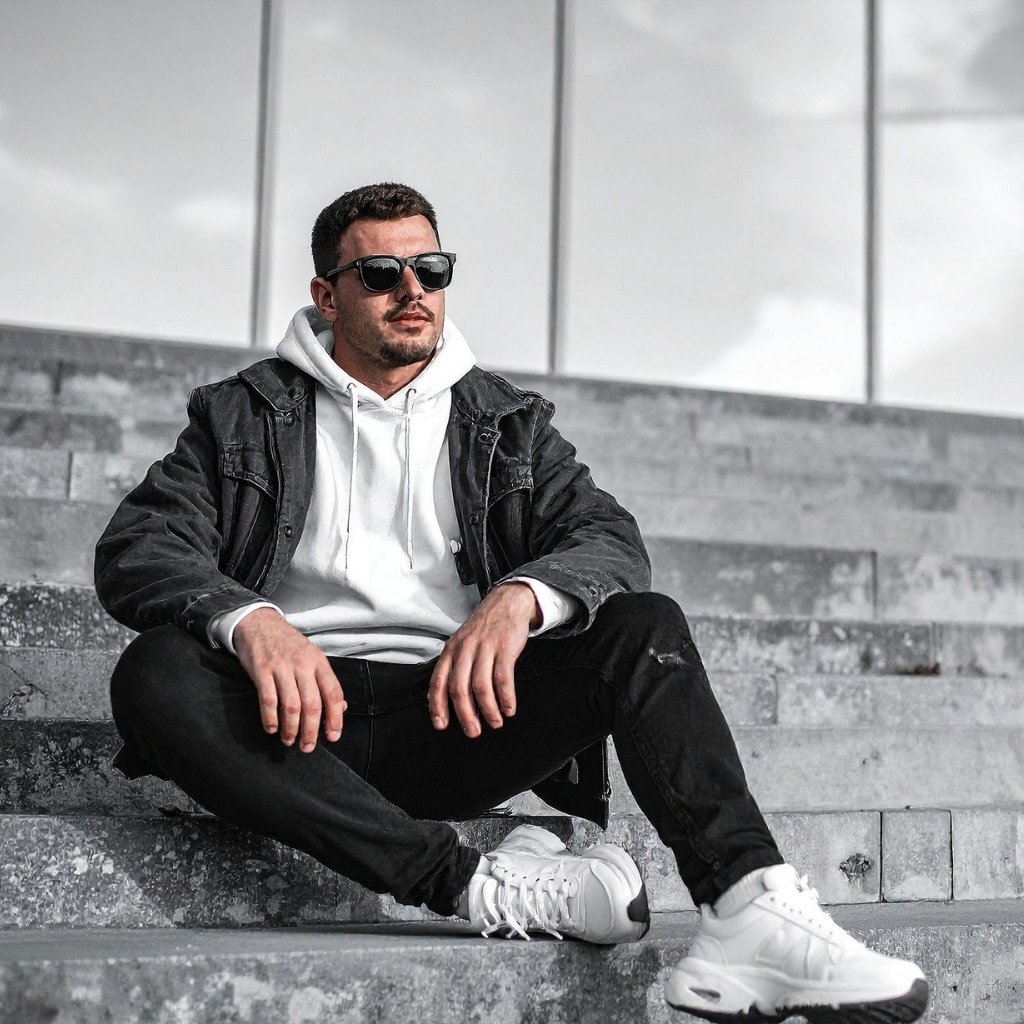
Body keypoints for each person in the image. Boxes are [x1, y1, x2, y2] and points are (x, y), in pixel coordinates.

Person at [95, 182, 929, 1022]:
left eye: (430, 267)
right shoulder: (244, 414)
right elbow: (139, 548)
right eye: (382, 272)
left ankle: (751, 915)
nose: (412, 289)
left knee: (646, 629)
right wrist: (253, 622)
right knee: (156, 674)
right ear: (327, 294)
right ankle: (474, 885)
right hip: (297, 724)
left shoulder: (505, 421)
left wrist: (521, 599)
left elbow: (608, 538)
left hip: (460, 711)